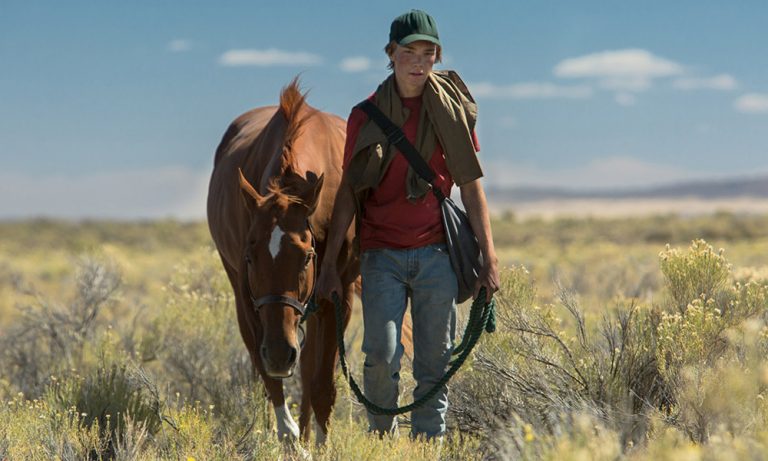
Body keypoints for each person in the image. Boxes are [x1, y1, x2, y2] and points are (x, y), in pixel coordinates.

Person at [315, 9, 499, 440]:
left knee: (434, 362)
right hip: (381, 256)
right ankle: (382, 443)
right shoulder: (366, 116)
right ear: (390, 54)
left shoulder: (450, 112)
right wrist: (327, 267)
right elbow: (348, 194)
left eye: (427, 52)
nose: (418, 61)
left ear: (437, 56)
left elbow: (471, 187)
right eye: (408, 52)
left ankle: (426, 448)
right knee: (381, 353)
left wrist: (490, 257)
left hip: (438, 254)